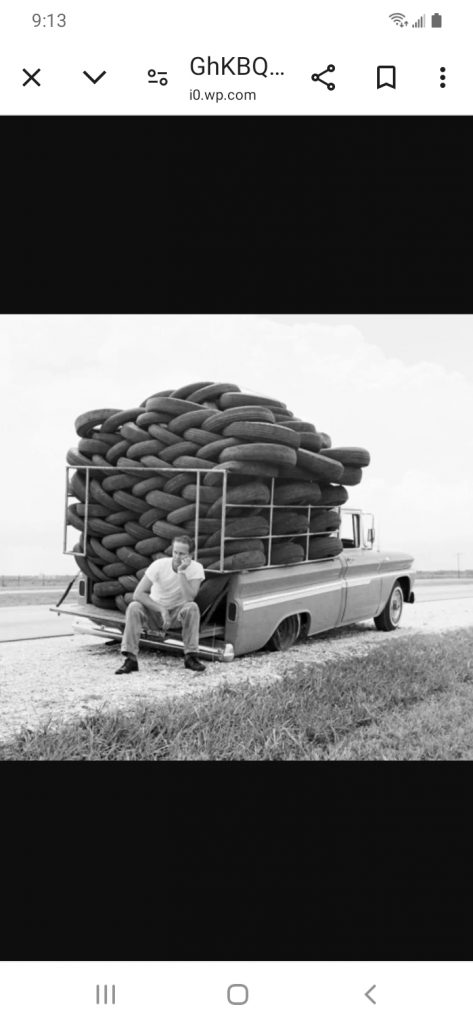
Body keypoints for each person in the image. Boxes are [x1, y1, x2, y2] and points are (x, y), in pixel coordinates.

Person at [115, 535, 206, 674]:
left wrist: (181, 572)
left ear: (190, 555)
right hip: (154, 613)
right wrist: (162, 610)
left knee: (192, 607)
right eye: (175, 552)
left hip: (176, 616)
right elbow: (138, 594)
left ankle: (191, 657)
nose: (177, 557)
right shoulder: (159, 565)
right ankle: (130, 659)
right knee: (134, 606)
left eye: (182, 554)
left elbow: (189, 598)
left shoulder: (196, 568)